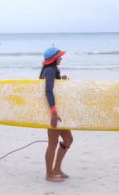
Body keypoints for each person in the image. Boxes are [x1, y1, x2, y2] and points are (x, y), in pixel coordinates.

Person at [39, 47, 73, 182]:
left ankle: (57, 169)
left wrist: (61, 80)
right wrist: (53, 112)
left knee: (68, 139)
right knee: (52, 143)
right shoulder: (50, 70)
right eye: (59, 56)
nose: (61, 58)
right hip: (53, 112)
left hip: (58, 111)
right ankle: (49, 174)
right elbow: (48, 91)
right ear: (54, 58)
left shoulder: (52, 71)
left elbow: (53, 88)